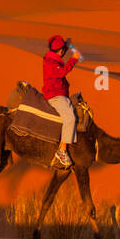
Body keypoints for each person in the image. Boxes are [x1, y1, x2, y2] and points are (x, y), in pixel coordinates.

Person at [42, 35, 82, 168]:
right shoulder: (51, 63)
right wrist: (74, 59)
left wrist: (67, 46)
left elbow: (60, 63)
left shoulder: (53, 58)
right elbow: (62, 72)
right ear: (60, 51)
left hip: (60, 94)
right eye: (63, 49)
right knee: (70, 118)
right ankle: (62, 151)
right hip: (55, 96)